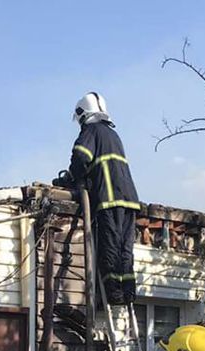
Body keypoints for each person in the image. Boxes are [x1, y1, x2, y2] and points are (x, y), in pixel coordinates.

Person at [53, 91, 141, 305]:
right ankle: (127, 291)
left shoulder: (91, 131)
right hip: (130, 200)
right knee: (125, 248)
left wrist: (70, 179)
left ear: (83, 115)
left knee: (110, 244)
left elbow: (81, 157)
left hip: (109, 198)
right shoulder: (113, 135)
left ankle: (113, 292)